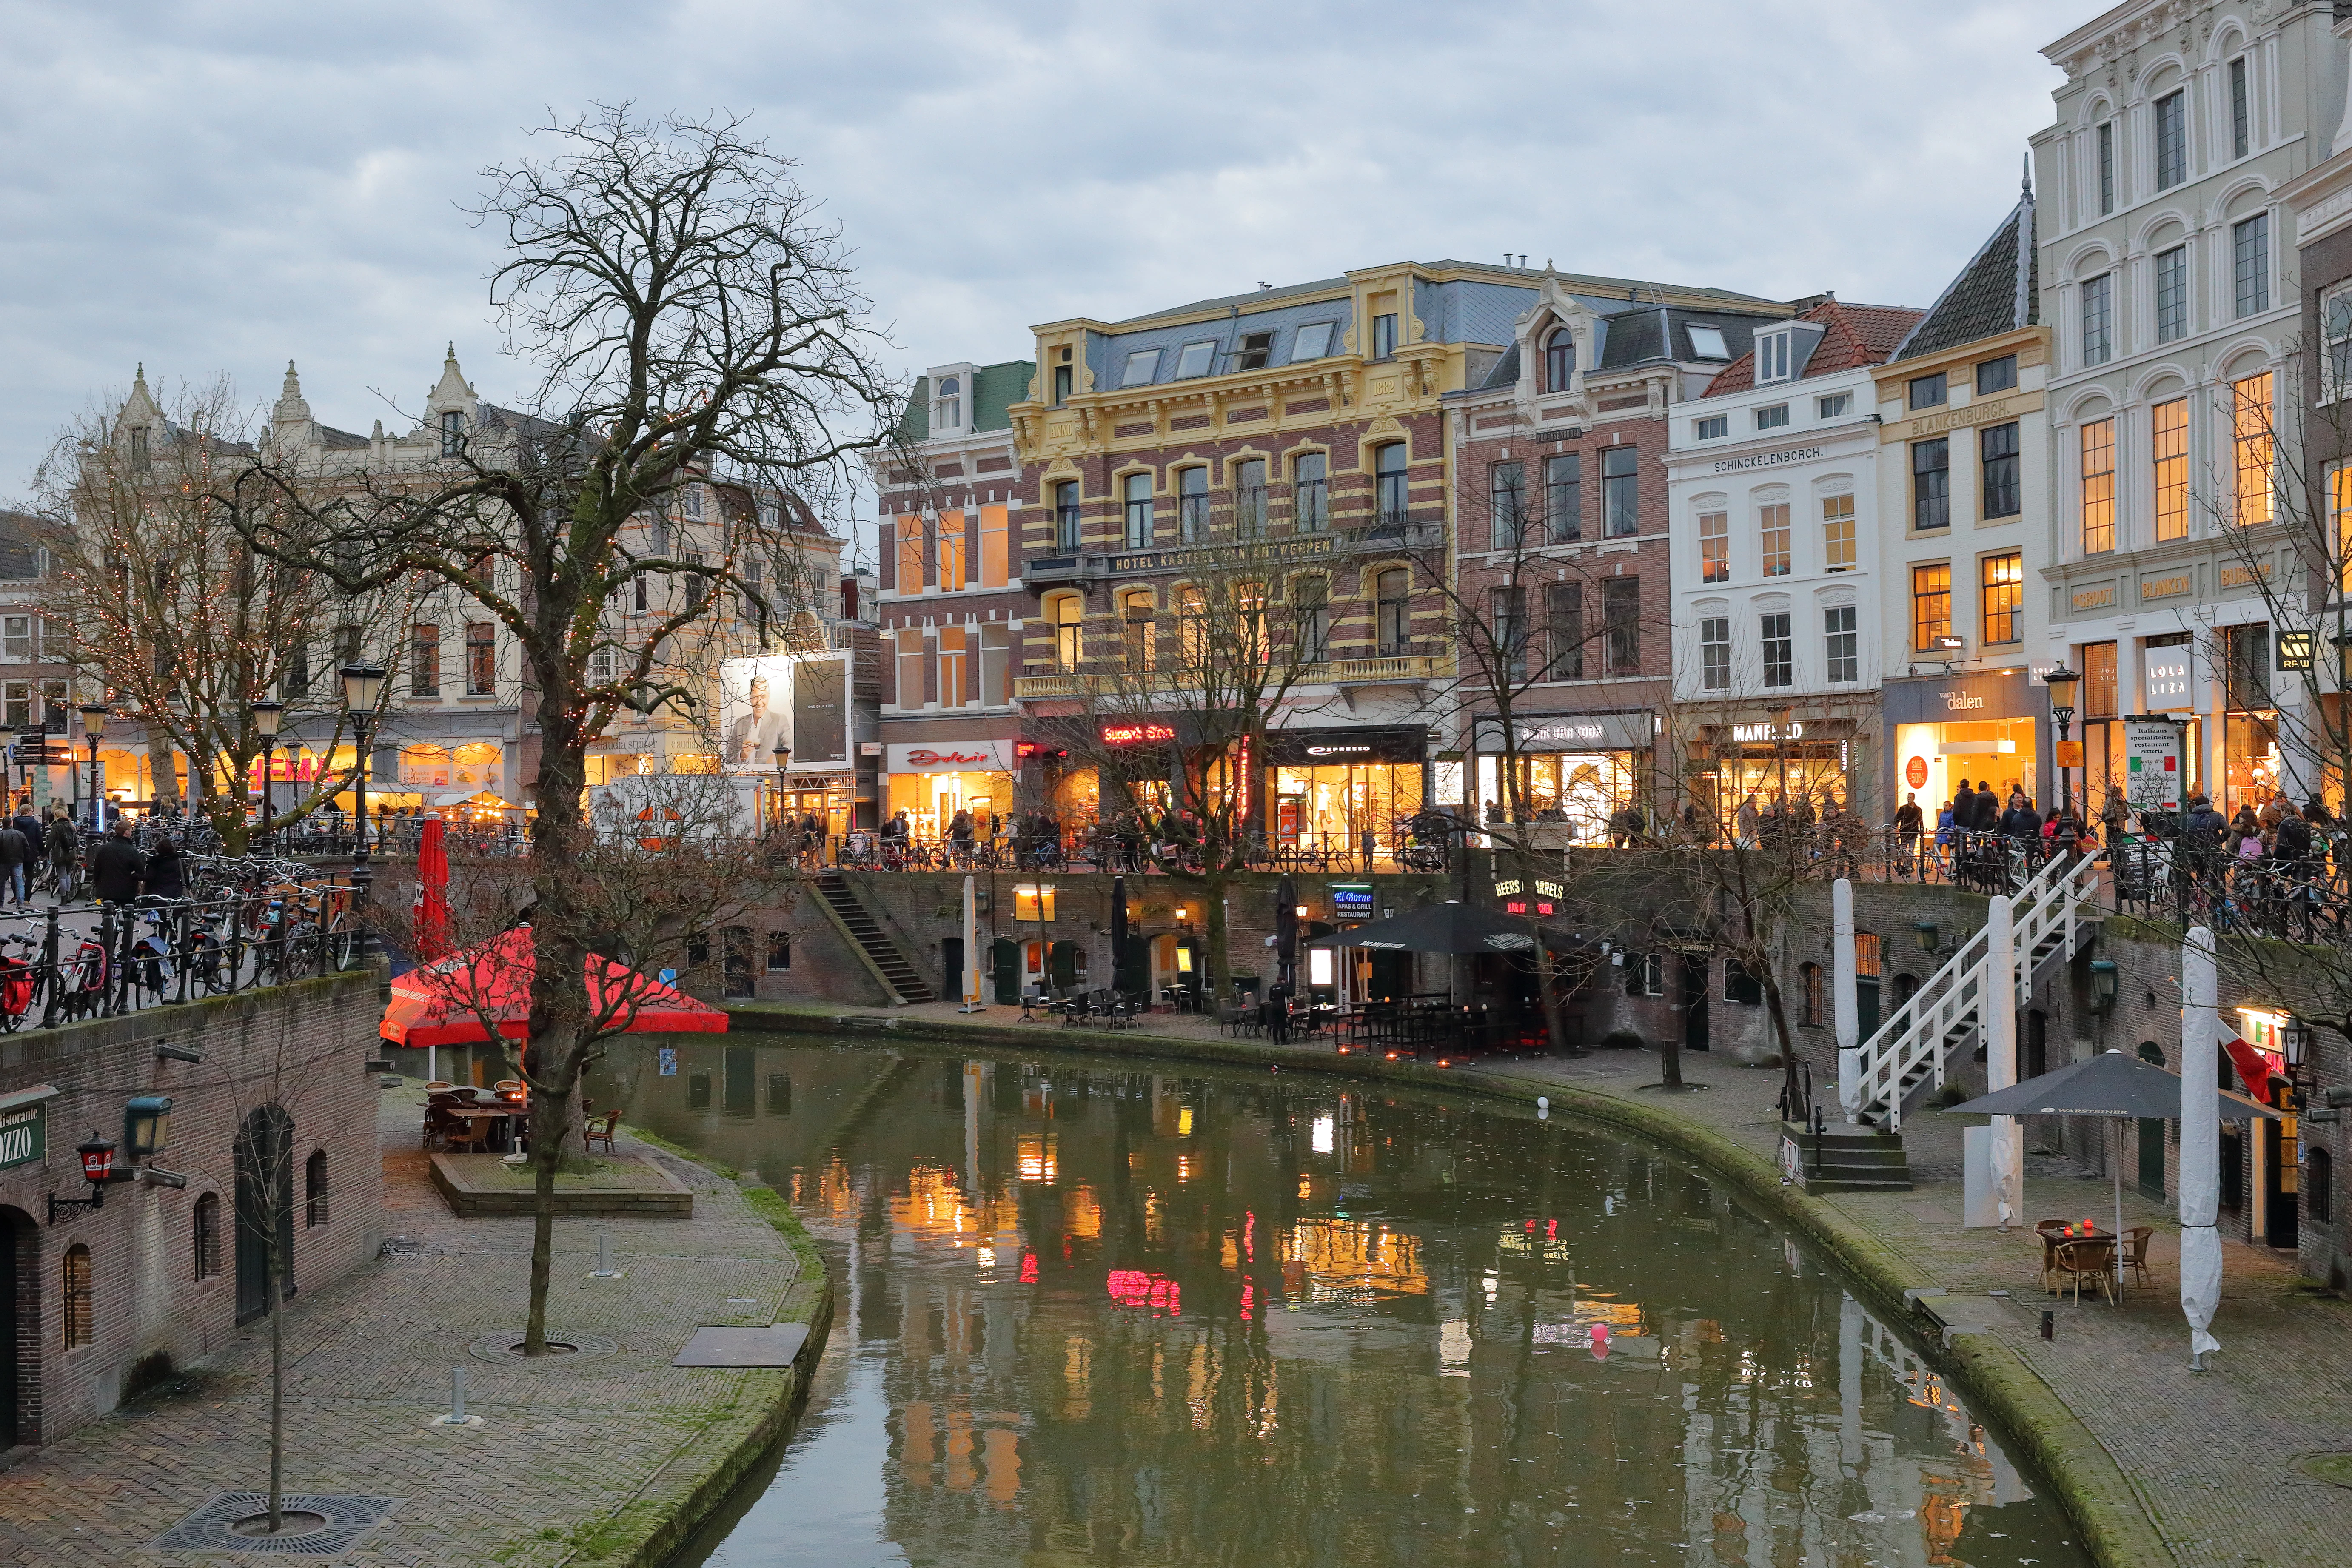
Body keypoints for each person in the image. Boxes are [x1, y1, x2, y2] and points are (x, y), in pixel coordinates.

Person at [89, 820, 145, 905]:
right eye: (130, 831)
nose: (131, 833)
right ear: (126, 832)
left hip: (107, 890)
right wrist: (133, 876)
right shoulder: (131, 850)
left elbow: (97, 869)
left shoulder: (104, 849)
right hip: (127, 891)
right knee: (129, 914)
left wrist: (97, 883)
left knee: (108, 914)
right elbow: (140, 872)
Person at [44, 808, 78, 900]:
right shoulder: (72, 826)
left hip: (60, 855)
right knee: (68, 875)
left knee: (62, 876)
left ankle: (64, 898)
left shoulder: (56, 826)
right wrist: (77, 853)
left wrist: (45, 852)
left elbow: (51, 842)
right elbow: (76, 842)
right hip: (71, 854)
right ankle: (68, 895)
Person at [143, 834, 186, 899]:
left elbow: (149, 877)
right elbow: (186, 880)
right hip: (176, 894)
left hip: (157, 895)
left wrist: (135, 876)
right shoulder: (179, 861)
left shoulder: (155, 862)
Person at [0, 818, 25, 908]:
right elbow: (27, 848)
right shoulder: (20, 834)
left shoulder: (1, 835)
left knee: (2, 882)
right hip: (18, 861)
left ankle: (1, 902)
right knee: (19, 881)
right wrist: (23, 858)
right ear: (11, 823)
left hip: (4, 861)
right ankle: (21, 902)